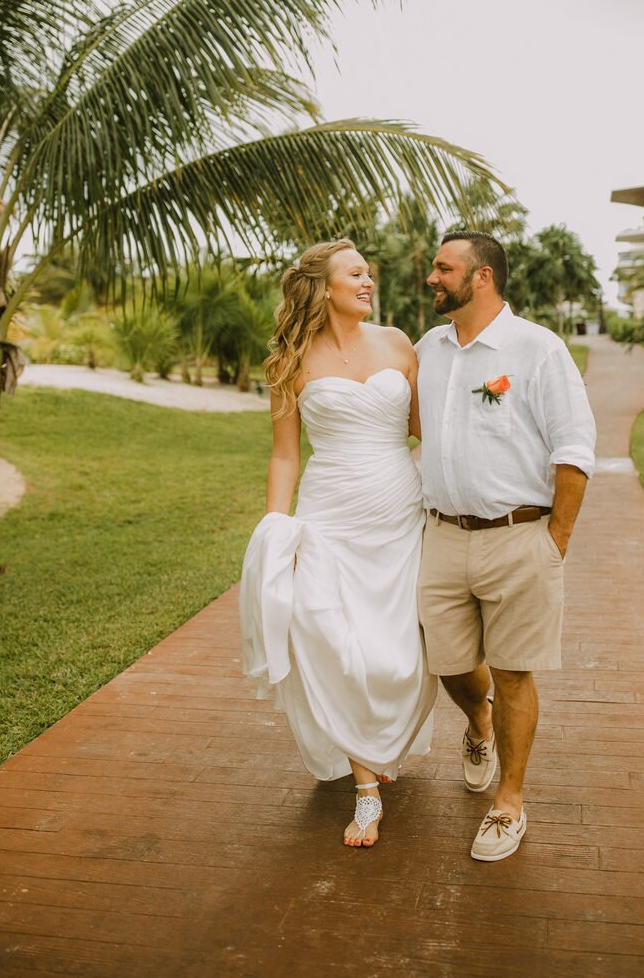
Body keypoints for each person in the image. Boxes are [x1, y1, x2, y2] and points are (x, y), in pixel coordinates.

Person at [239, 238, 437, 849]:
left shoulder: (400, 344)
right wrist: (278, 530)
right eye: (356, 274)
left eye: (369, 273)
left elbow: (423, 433)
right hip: (328, 517)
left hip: (400, 511)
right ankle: (366, 788)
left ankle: (438, 730)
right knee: (330, 641)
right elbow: (284, 453)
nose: (368, 281)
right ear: (324, 287)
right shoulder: (291, 357)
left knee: (399, 650)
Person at [415, 230, 596, 862]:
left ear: (482, 276)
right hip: (440, 535)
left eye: (443, 268)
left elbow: (574, 450)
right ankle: (478, 723)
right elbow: (411, 427)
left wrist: (555, 543)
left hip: (520, 536)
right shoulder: (428, 349)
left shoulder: (537, 350)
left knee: (516, 673)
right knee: (448, 664)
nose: (432, 278)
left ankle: (509, 803)